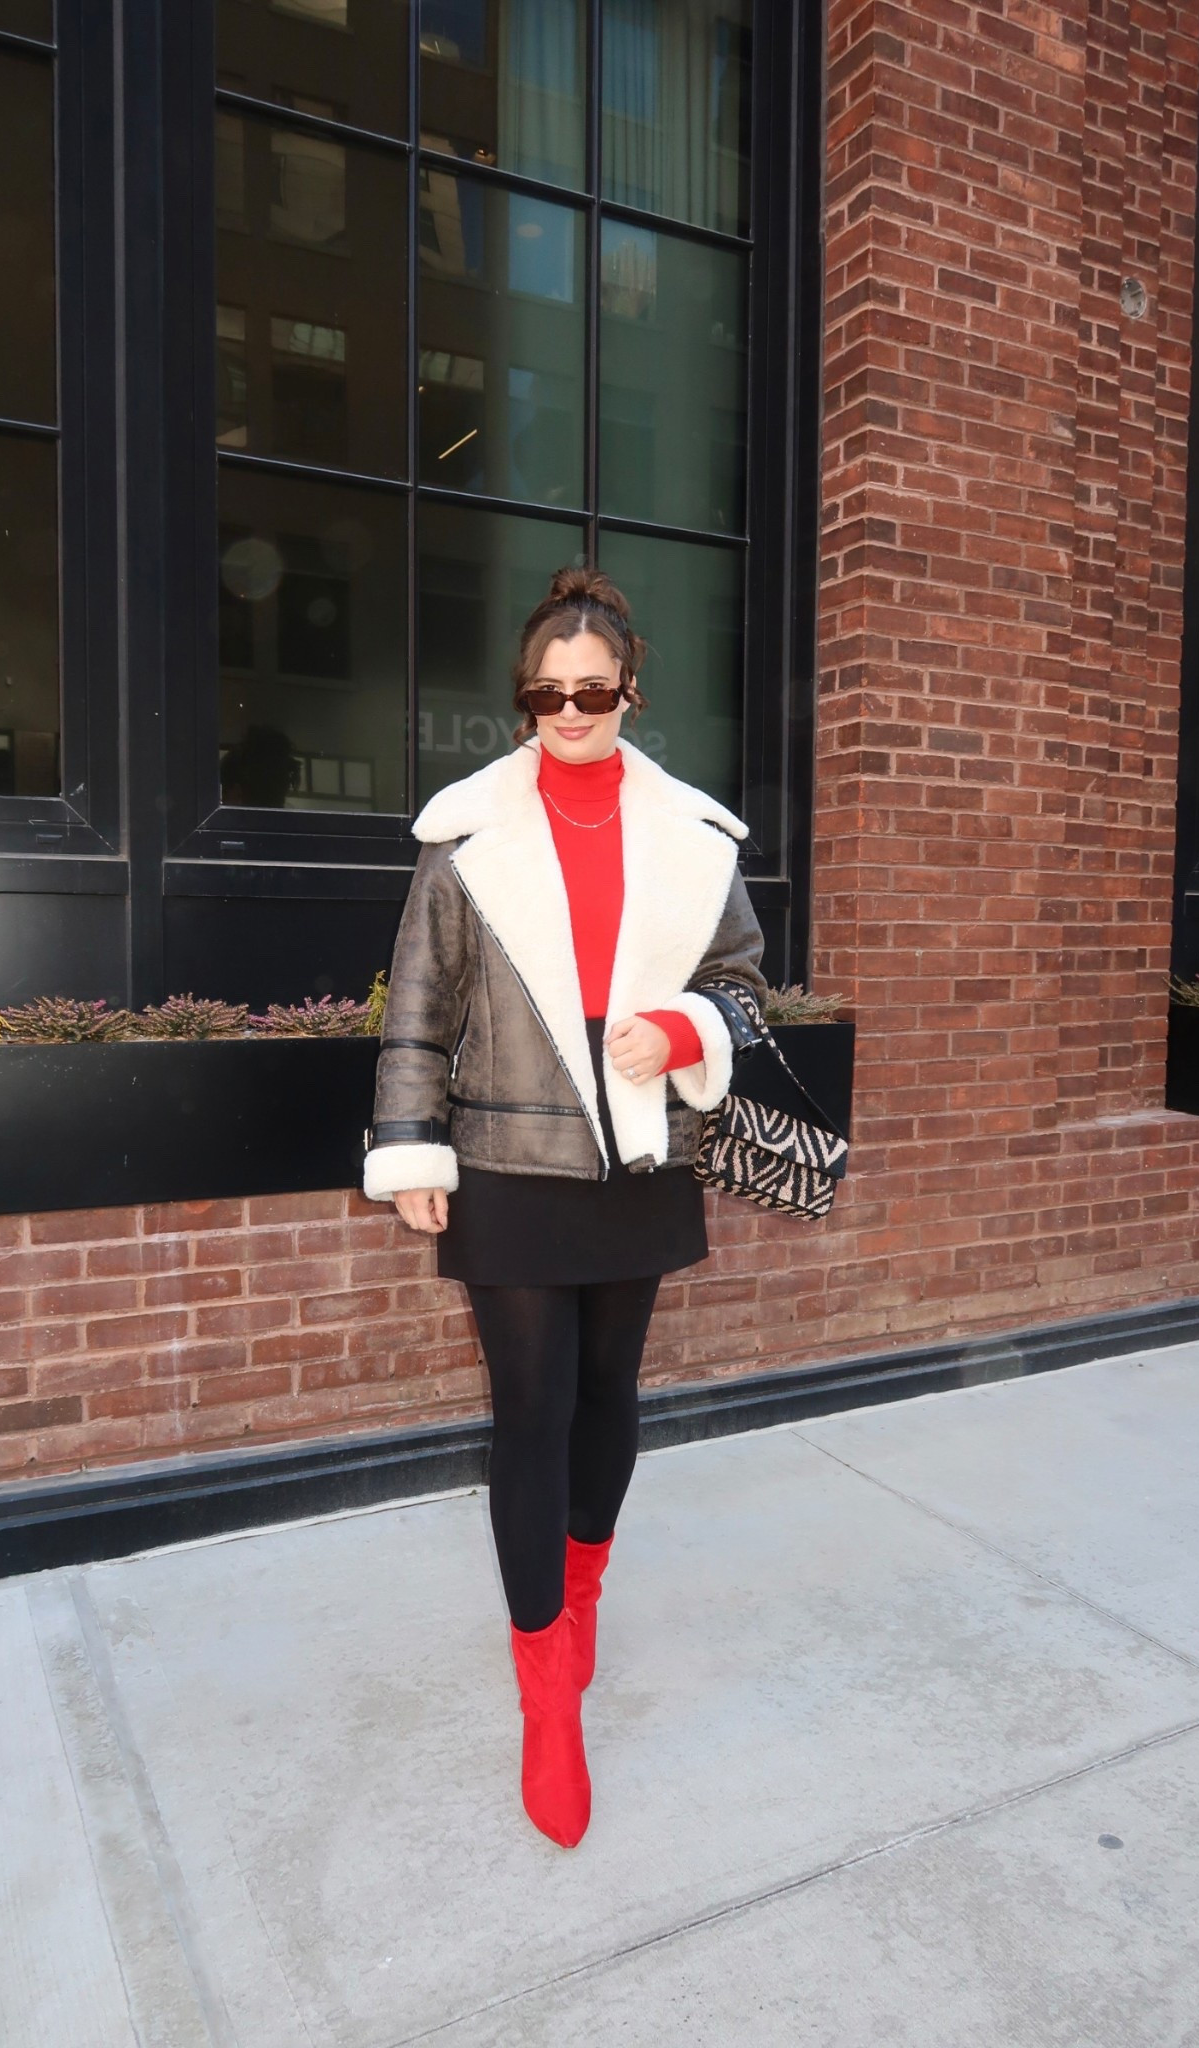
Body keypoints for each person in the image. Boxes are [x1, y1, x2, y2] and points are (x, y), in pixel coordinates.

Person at [362, 565, 768, 1848]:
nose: (570, 706)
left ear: (630, 691)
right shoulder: (465, 834)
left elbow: (747, 989)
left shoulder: (694, 835)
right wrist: (414, 1148)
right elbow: (418, 1010)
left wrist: (681, 1023)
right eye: (547, 689)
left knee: (610, 1398)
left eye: (593, 688)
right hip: (503, 1162)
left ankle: (581, 1588)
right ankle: (547, 1679)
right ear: (524, 697)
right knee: (527, 1410)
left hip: (637, 1163)